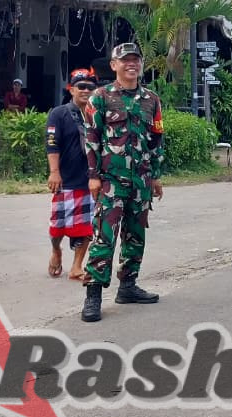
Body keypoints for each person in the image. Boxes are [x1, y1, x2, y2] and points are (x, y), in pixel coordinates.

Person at [79, 43, 165, 323]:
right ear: (114, 65)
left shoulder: (151, 99)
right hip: (110, 181)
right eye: (124, 60)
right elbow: (92, 139)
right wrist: (93, 176)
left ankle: (128, 286)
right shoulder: (100, 98)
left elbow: (156, 140)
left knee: (136, 234)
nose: (131, 64)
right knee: (104, 235)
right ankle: (93, 296)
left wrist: (156, 175)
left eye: (135, 60)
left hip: (140, 180)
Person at [46, 69, 96, 280]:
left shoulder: (97, 113)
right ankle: (56, 251)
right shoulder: (59, 113)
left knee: (87, 225)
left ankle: (77, 266)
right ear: (71, 89)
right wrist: (54, 172)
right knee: (58, 226)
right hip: (65, 178)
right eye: (81, 86)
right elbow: (51, 144)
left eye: (90, 87)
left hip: (90, 179)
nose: (86, 90)